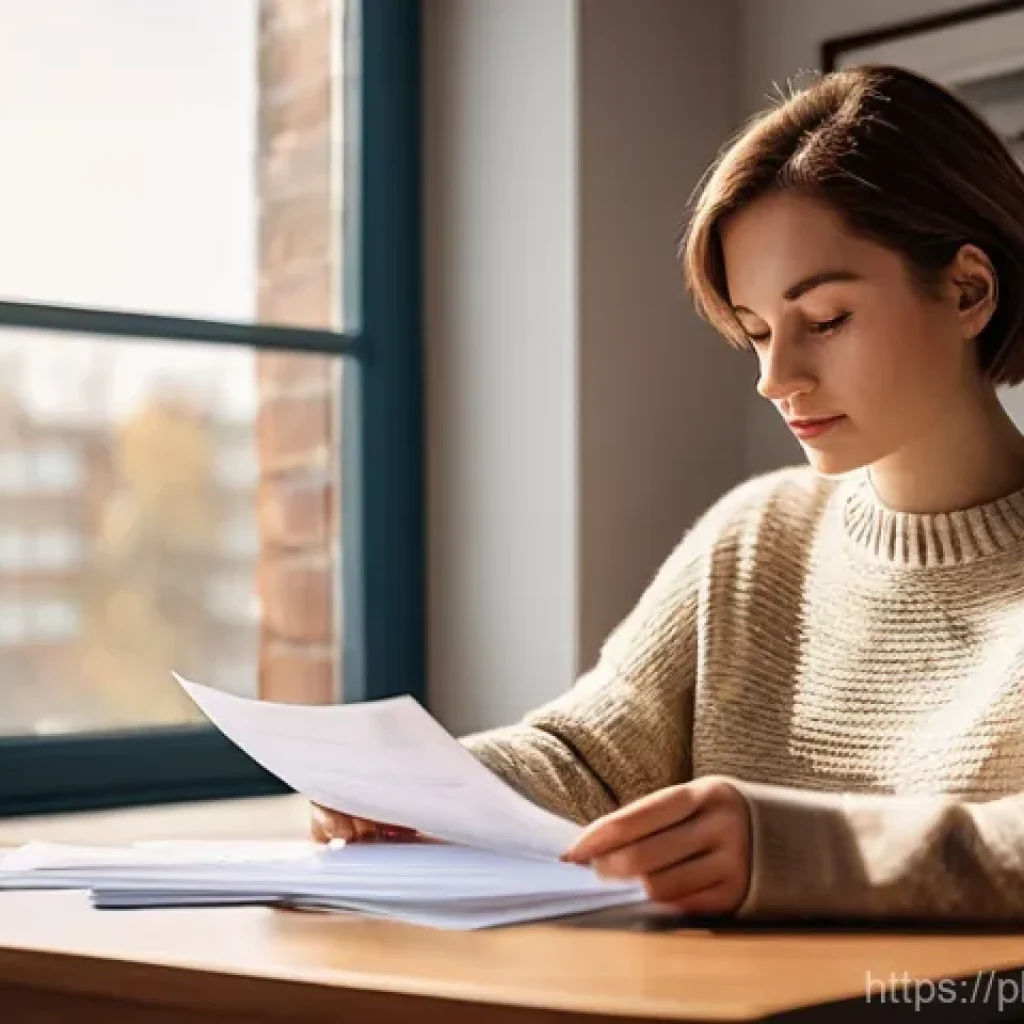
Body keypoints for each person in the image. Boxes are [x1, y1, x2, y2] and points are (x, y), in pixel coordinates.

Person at [312, 64, 1024, 922]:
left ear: (969, 290)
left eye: (826, 319)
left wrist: (802, 850)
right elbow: (589, 759)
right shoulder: (756, 536)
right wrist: (426, 790)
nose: (775, 378)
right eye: (756, 332)